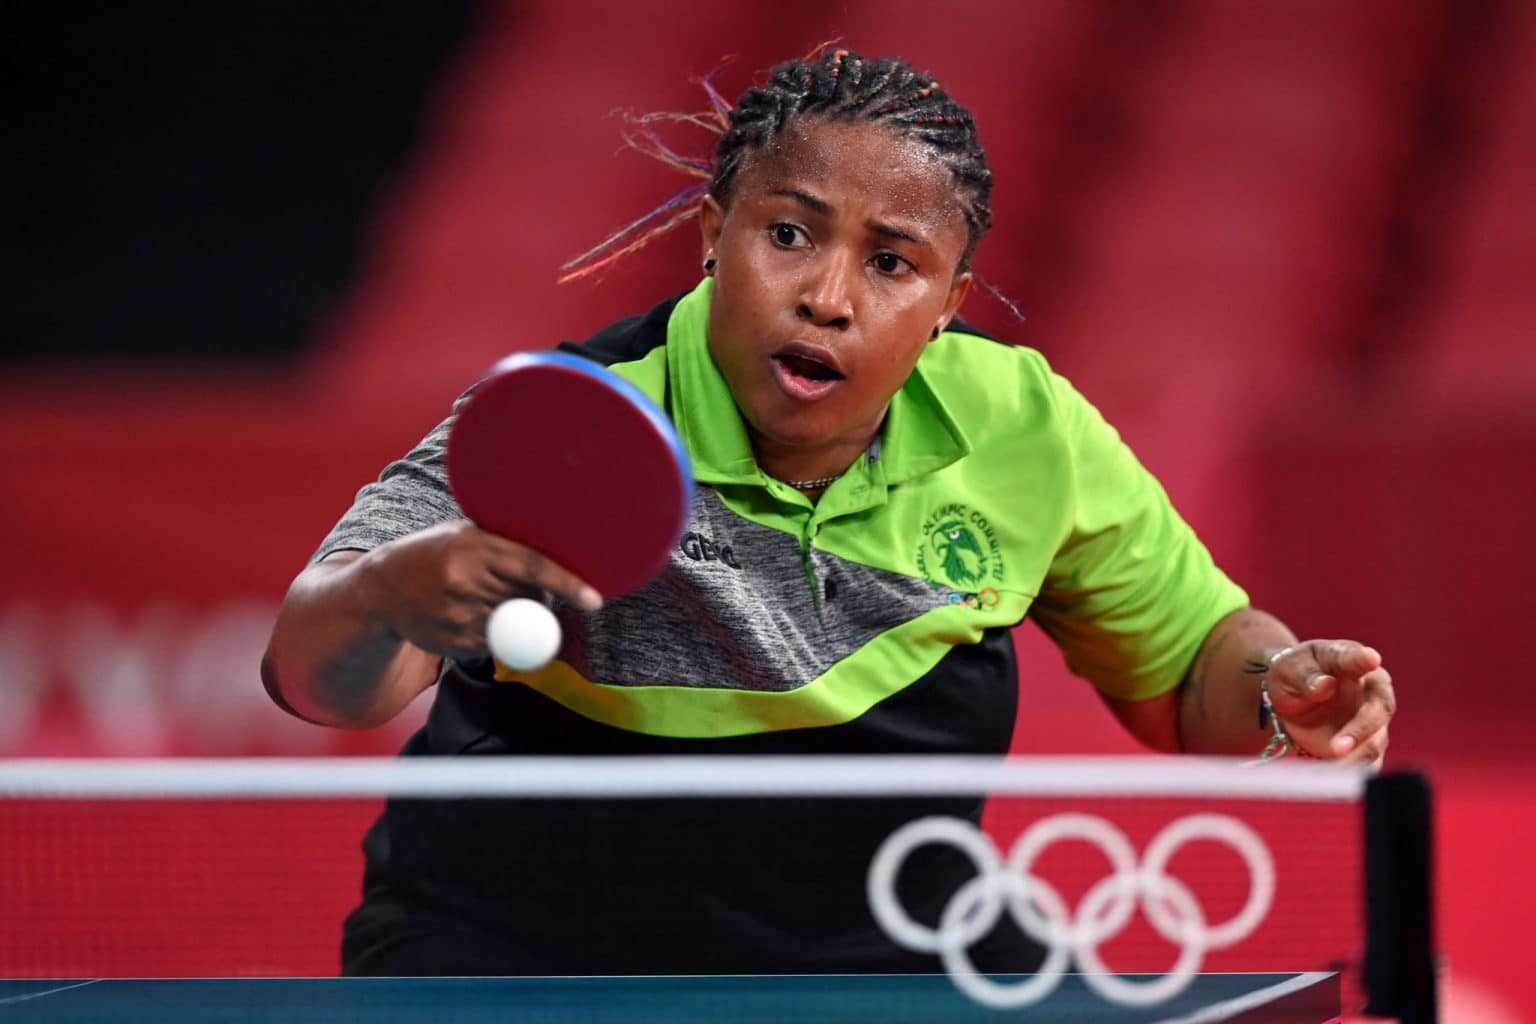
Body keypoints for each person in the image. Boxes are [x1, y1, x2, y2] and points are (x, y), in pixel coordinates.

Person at [262, 48, 1395, 977]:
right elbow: (316, 679)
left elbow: (1192, 675)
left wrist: (1280, 690)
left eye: (892, 263)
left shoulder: (1024, 429)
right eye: (789, 235)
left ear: (949, 302)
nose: (829, 297)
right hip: (523, 952)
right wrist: (389, 593)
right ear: (714, 235)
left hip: (889, 948)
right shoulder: (576, 420)